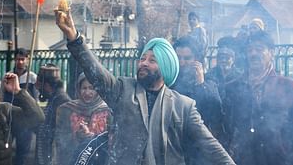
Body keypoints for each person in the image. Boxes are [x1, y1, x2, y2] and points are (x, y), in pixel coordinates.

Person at [55, 10, 235, 165]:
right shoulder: (122, 90)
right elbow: (96, 72)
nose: (144, 63)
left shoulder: (183, 106)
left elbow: (209, 145)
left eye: (152, 60)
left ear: (165, 68)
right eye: (142, 59)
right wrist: (75, 38)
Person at [225, 31, 293, 165]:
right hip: (242, 160)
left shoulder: (288, 87)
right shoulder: (233, 88)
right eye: (250, 50)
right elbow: (227, 130)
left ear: (271, 53)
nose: (253, 54)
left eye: (259, 49)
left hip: (278, 160)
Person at [172, 36, 225, 165]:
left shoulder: (209, 82)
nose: (182, 62)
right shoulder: (170, 81)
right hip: (175, 145)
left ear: (197, 60)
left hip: (198, 148)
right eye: (178, 58)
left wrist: (201, 84)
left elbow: (215, 111)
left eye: (187, 58)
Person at [54, 73, 112, 165]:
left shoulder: (108, 111)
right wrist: (77, 136)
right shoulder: (67, 110)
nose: (87, 92)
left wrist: (91, 138)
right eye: (84, 88)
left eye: (92, 88)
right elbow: (61, 141)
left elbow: (111, 142)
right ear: (78, 89)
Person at [1, 48, 38, 165]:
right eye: (18, 59)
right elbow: (2, 96)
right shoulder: (7, 76)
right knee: (5, 148)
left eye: (22, 59)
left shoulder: (32, 77)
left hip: (25, 118)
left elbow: (35, 99)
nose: (20, 62)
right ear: (14, 60)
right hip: (10, 116)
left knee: (23, 151)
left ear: (27, 60)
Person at [34, 64, 71, 165]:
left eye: (39, 85)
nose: (37, 89)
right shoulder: (54, 99)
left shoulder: (62, 102)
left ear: (46, 85)